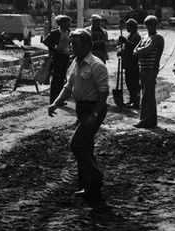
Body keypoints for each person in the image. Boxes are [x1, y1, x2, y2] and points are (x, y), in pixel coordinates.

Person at [47, 28, 110, 202]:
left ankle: (95, 177)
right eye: (71, 44)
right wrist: (56, 103)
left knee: (77, 144)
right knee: (86, 148)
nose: (72, 48)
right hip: (82, 109)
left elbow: (104, 93)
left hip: (93, 109)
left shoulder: (97, 65)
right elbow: (68, 87)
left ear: (87, 46)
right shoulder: (74, 63)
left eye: (75, 45)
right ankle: (89, 188)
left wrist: (94, 115)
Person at [133, 15, 164, 128]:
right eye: (147, 24)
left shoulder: (158, 38)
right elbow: (134, 51)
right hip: (143, 68)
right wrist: (140, 51)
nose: (149, 26)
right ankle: (150, 120)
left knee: (148, 95)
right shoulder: (145, 37)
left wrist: (140, 51)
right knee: (145, 94)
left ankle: (146, 120)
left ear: (155, 24)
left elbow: (146, 50)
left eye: (151, 24)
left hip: (151, 69)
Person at [43, 15, 73, 104]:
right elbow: (45, 41)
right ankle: (53, 100)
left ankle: (59, 99)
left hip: (65, 57)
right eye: (68, 23)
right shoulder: (55, 32)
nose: (69, 24)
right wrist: (56, 48)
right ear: (63, 23)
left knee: (62, 78)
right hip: (58, 57)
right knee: (56, 78)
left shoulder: (68, 32)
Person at [118, 18, 142, 109]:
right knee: (129, 83)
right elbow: (127, 48)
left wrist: (125, 42)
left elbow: (134, 47)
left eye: (128, 25)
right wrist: (122, 52)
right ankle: (132, 100)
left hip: (133, 64)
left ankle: (136, 102)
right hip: (128, 64)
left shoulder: (136, 36)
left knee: (134, 83)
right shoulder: (130, 36)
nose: (126, 27)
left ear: (133, 26)